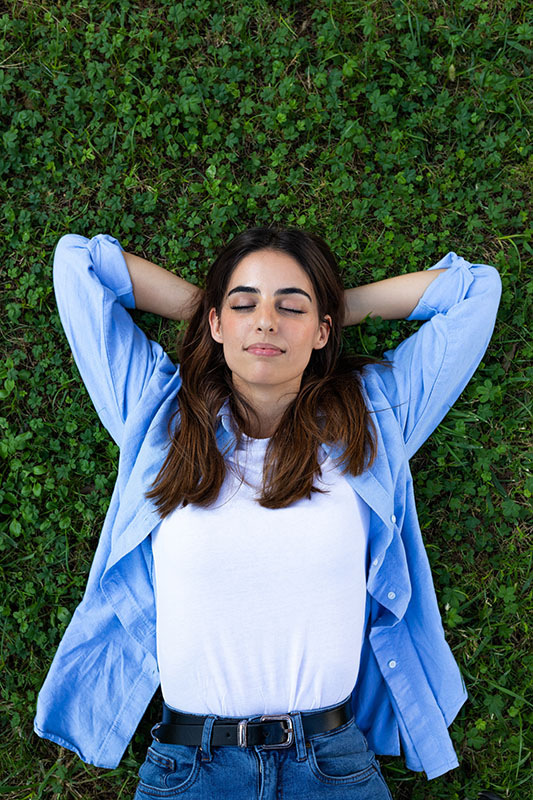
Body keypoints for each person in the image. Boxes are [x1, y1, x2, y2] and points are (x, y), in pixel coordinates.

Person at [34, 226, 501, 799]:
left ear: (323, 330)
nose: (266, 322)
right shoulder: (157, 416)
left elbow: (476, 290)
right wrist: (219, 306)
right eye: (245, 303)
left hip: (333, 766)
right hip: (190, 770)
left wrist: (334, 305)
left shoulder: (375, 421)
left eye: (291, 307)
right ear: (214, 323)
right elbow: (77, 264)